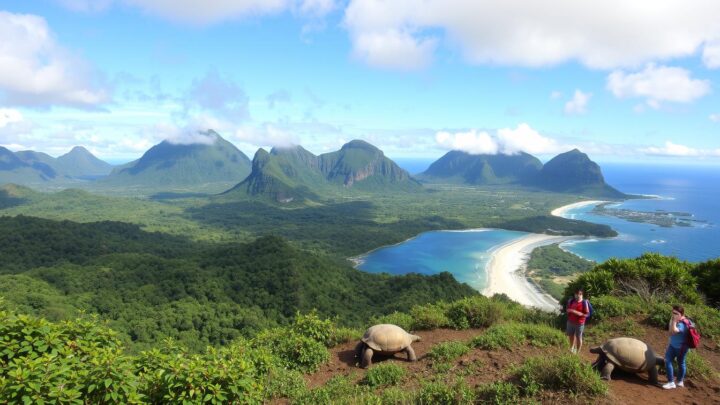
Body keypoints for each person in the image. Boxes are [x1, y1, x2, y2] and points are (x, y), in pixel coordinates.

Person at [663, 305, 689, 389]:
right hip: (672, 345)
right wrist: (673, 320)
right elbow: (670, 332)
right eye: (673, 312)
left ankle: (680, 381)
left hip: (681, 348)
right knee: (667, 361)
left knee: (681, 363)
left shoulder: (683, 324)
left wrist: (674, 320)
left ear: (681, 314)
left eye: (676, 313)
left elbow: (674, 330)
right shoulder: (675, 320)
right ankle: (671, 382)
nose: (673, 314)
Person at [566, 289, 589, 354]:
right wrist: (568, 311)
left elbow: (587, 314)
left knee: (579, 337)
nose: (578, 295)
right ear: (574, 295)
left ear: (582, 295)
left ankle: (577, 352)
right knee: (571, 336)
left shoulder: (584, 303)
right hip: (570, 322)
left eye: (580, 294)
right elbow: (568, 309)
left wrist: (574, 312)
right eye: (576, 294)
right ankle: (571, 348)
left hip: (579, 323)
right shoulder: (571, 301)